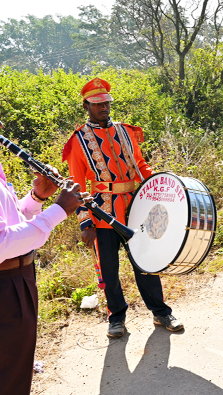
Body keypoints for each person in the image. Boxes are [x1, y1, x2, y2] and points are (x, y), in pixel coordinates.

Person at [0, 80, 88, 395]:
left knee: (14, 370)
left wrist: (37, 198)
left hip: (15, 280)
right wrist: (57, 211)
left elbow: (10, 218)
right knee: (1, 380)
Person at [63, 78, 183, 338]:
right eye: (97, 104)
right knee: (110, 270)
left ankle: (161, 312)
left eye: (106, 102)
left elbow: (141, 165)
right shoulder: (77, 140)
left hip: (136, 210)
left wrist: (162, 185)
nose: (104, 107)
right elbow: (76, 183)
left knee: (146, 263)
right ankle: (116, 317)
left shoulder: (126, 132)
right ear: (86, 106)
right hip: (102, 215)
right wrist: (85, 222)